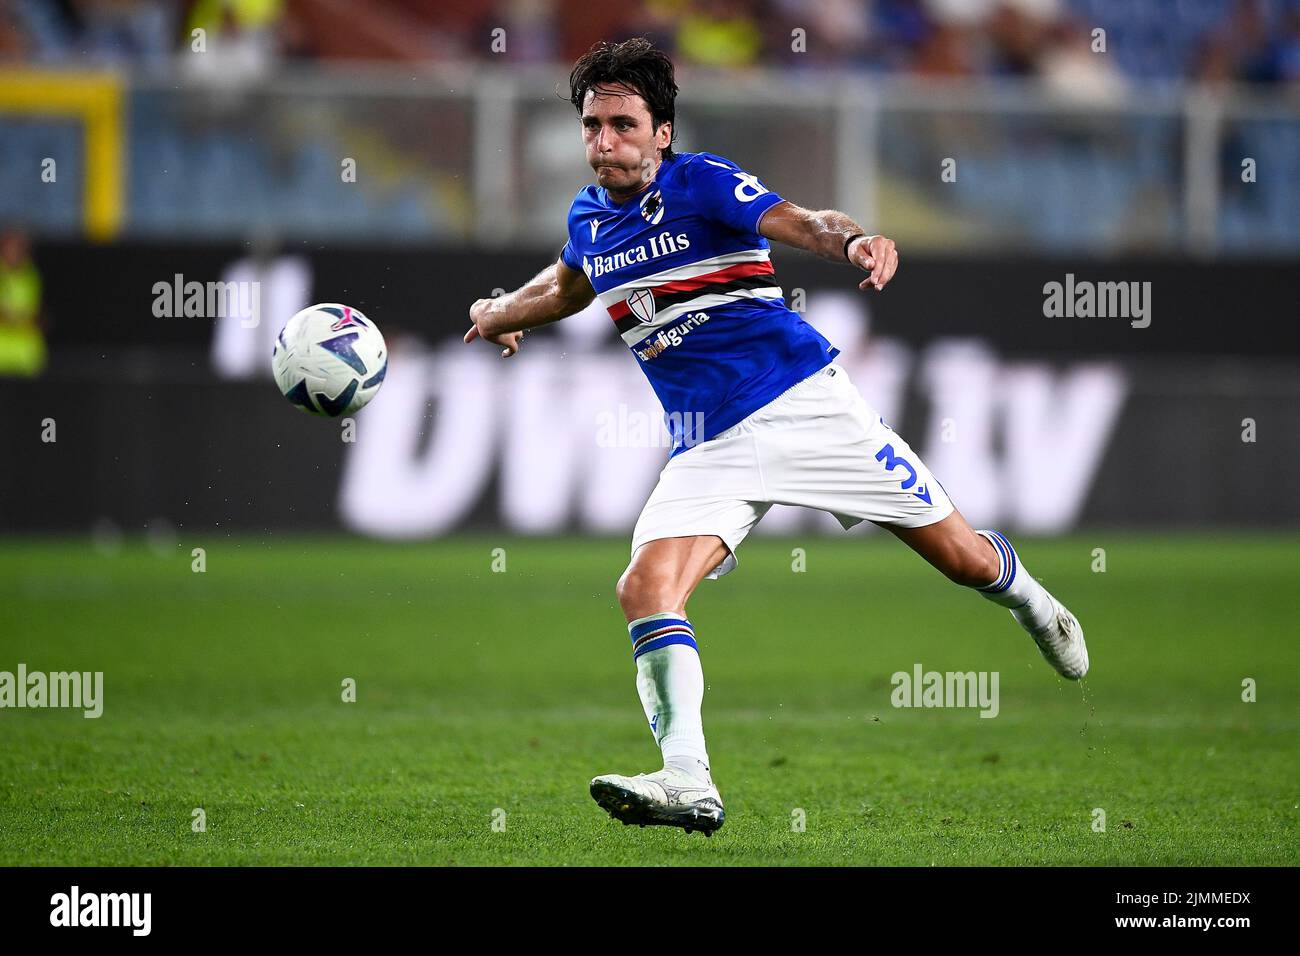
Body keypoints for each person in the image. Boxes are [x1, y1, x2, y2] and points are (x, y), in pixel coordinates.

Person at [463, 37, 1088, 836]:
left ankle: (1033, 602)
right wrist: (499, 312)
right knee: (643, 590)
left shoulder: (704, 182)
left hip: (805, 406)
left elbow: (804, 221)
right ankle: (688, 777)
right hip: (708, 444)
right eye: (591, 125)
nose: (603, 142)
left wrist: (854, 240)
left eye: (623, 124)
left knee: (964, 560)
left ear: (662, 131)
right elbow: (567, 285)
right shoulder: (589, 219)